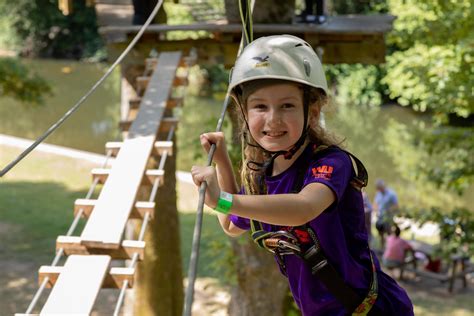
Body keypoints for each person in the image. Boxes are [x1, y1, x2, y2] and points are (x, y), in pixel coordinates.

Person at [191, 35, 413, 315]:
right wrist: (222, 160)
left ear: (312, 111)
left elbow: (303, 208)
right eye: (260, 106)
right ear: (244, 114)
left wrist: (222, 198)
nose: (273, 119)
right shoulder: (264, 179)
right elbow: (231, 225)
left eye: (287, 106)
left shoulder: (332, 163)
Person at [373, 179, 399, 249]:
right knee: (380, 233)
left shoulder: (392, 194)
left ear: (383, 186)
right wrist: (375, 210)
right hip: (380, 217)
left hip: (388, 218)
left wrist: (389, 210)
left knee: (389, 233)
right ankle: (382, 248)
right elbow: (375, 204)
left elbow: (396, 206)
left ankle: (390, 248)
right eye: (378, 188)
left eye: (379, 188)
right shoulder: (378, 194)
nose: (378, 190)